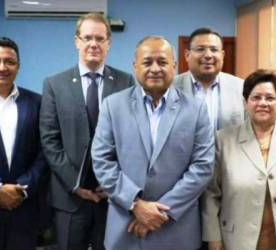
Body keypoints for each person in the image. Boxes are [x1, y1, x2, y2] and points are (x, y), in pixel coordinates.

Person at [91, 36, 215, 250]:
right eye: (147, 62)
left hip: (177, 230)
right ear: (135, 66)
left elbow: (203, 167)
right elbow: (102, 161)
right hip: (126, 228)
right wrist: (136, 204)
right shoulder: (113, 106)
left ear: (175, 66)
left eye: (163, 62)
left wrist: (159, 212)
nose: (155, 69)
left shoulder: (196, 109)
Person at [39, 13, 134, 250]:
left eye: (100, 38)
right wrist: (75, 183)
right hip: (69, 196)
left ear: (109, 43)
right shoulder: (54, 84)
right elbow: (50, 139)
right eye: (88, 37)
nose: (93, 44)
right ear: (76, 41)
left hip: (111, 196)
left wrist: (114, 183)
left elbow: (132, 138)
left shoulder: (126, 82)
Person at [0, 37, 46, 250]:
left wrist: (22, 189)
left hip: (23, 210)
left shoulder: (37, 102)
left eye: (9, 62)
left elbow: (45, 152)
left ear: (18, 66)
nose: (2, 67)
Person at [202, 69, 276, 250]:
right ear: (245, 103)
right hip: (237, 240)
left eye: (270, 98)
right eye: (256, 97)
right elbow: (211, 194)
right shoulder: (223, 139)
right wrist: (213, 238)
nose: (263, 103)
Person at [175, 27, 245, 130]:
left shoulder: (241, 87)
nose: (208, 55)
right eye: (200, 49)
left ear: (222, 55)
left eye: (214, 50)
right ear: (187, 55)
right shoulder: (170, 87)